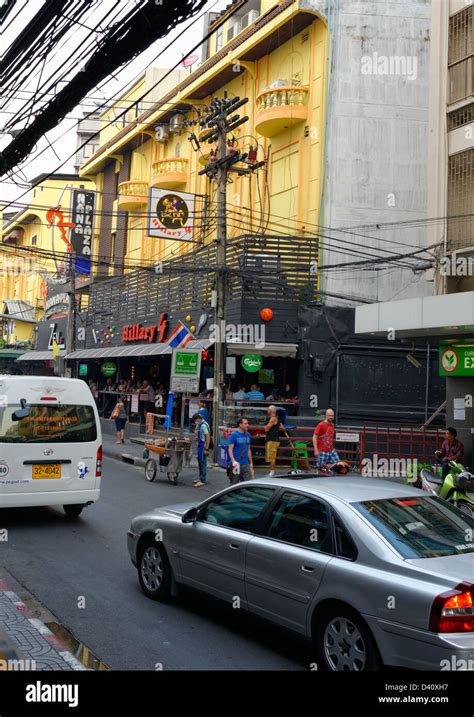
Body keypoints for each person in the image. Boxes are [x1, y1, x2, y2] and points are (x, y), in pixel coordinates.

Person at [228, 417, 254, 484]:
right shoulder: (234, 435)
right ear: (240, 425)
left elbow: (248, 449)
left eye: (247, 423)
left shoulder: (248, 435)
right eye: (245, 423)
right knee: (234, 483)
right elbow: (230, 449)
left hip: (246, 464)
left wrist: (251, 462)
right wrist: (233, 461)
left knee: (247, 484)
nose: (247, 425)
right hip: (236, 464)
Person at [192, 413, 211, 487]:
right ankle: (200, 478)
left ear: (197, 419)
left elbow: (208, 436)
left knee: (203, 463)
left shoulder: (203, 425)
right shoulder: (201, 424)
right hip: (200, 445)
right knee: (200, 462)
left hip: (203, 446)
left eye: (195, 421)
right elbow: (202, 435)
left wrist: (206, 448)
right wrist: (197, 438)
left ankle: (202, 480)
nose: (195, 422)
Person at [263, 405, 280, 477]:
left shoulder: (273, 419)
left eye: (268, 410)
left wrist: (265, 427)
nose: (267, 411)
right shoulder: (273, 418)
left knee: (272, 456)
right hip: (272, 439)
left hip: (273, 440)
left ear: (271, 411)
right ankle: (271, 471)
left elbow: (266, 429)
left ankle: (272, 472)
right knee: (271, 456)